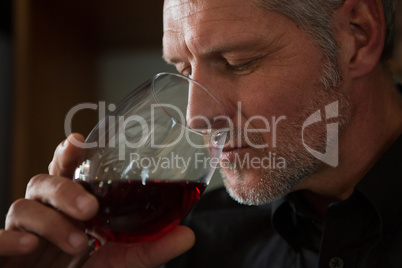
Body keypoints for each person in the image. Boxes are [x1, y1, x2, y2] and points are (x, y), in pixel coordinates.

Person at [1, 0, 401, 267]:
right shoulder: (186, 246)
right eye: (183, 71)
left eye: (236, 62)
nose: (196, 117)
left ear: (357, 36)